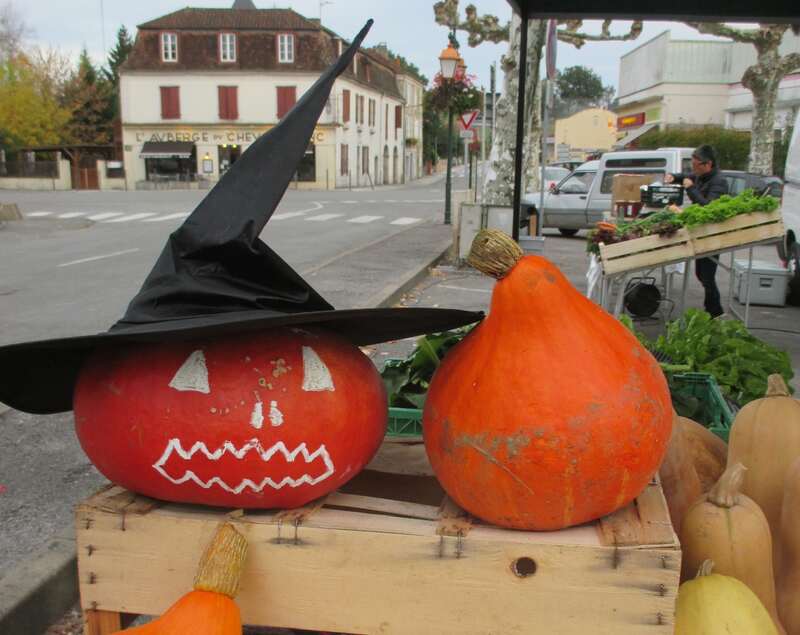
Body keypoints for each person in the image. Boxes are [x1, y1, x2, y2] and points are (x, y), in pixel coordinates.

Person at [665, 145, 729, 317]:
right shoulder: (702, 176)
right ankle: (712, 310)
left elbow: (707, 207)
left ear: (707, 164)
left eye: (695, 165)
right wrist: (675, 177)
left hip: (711, 235)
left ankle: (715, 312)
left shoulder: (718, 182)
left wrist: (691, 189)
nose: (693, 169)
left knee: (707, 276)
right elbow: (686, 176)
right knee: (702, 274)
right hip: (702, 233)